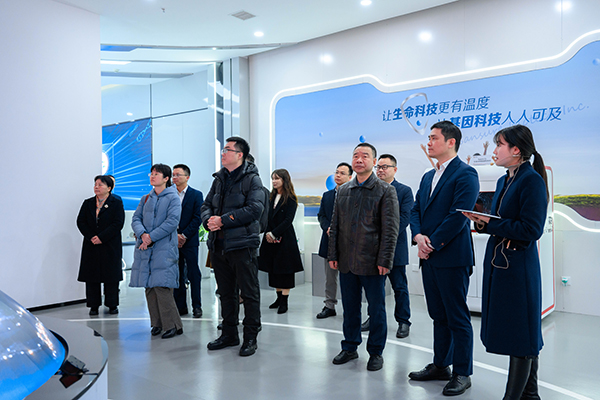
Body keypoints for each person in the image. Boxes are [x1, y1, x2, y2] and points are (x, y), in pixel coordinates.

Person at [462, 125, 548, 399]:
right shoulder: (503, 180)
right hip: (500, 262)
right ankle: (530, 394)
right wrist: (482, 222)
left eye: (499, 144)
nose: (495, 150)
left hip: (519, 266)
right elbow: (501, 220)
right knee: (518, 330)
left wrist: (491, 224)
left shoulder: (531, 180)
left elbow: (532, 229)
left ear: (516, 150)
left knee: (521, 334)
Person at [409, 121, 479, 396]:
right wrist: (418, 237)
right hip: (429, 255)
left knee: (457, 317)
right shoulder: (429, 175)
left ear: (451, 142)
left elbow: (458, 216)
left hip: (452, 257)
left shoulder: (466, 173)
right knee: (438, 315)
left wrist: (431, 244)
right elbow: (416, 210)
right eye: (429, 138)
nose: (429, 142)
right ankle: (441, 365)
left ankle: (462, 372)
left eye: (434, 138)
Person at [328, 143, 400, 372]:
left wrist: (385, 260)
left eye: (365, 156)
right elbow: (335, 225)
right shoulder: (343, 191)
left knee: (376, 310)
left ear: (374, 162)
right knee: (350, 308)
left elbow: (390, 230)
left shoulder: (385, 190)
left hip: (372, 262)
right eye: (355, 156)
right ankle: (350, 346)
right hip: (347, 261)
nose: (359, 160)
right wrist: (333, 254)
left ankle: (376, 351)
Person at [201, 136, 265, 357]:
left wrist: (223, 220)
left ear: (240, 155)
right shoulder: (219, 179)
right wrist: (209, 221)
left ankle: (250, 337)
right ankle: (229, 334)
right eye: (223, 149)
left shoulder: (252, 179)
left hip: (242, 245)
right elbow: (206, 205)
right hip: (219, 245)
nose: (223, 153)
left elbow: (255, 209)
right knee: (226, 293)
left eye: (227, 149)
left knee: (249, 293)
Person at [361, 154, 413, 338]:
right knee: (375, 289)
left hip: (395, 249)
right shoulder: (370, 190)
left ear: (394, 169)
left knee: (399, 287)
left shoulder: (404, 191)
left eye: (385, 167)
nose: (381, 170)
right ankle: (373, 318)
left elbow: (404, 219)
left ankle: (403, 321)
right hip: (373, 250)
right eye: (379, 167)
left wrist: (384, 238)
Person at [130, 164, 183, 339]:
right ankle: (157, 323)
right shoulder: (146, 198)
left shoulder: (173, 198)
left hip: (164, 248)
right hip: (146, 249)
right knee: (149, 287)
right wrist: (142, 234)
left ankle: (172, 325)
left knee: (162, 286)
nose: (152, 176)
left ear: (166, 178)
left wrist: (150, 237)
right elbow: (136, 218)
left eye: (157, 174)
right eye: (151, 174)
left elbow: (172, 222)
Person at [77, 175, 125, 316]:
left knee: (111, 276)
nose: (96, 187)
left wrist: (102, 237)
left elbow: (118, 223)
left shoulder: (116, 203)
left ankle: (112, 304)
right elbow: (80, 221)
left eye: (100, 185)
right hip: (91, 244)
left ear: (109, 188)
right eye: (95, 184)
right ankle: (93, 305)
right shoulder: (88, 203)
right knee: (92, 276)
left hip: (109, 244)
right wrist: (91, 236)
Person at [259, 169, 303, 314]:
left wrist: (274, 233)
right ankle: (278, 299)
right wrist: (268, 233)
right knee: (274, 270)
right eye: (273, 178)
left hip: (285, 239)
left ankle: (284, 301)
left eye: (277, 178)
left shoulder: (290, 198)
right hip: (270, 239)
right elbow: (266, 217)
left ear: (285, 180)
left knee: (285, 271)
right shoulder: (271, 197)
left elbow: (288, 220)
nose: (274, 181)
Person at [315, 162, 353, 319]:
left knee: (348, 278)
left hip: (347, 243)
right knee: (330, 278)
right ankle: (329, 305)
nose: (338, 175)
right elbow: (321, 216)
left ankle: (350, 308)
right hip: (329, 241)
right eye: (337, 172)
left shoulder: (354, 195)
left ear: (350, 177)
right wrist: (327, 228)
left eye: (342, 173)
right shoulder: (327, 195)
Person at [172, 164, 204, 318]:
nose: (175, 178)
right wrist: (175, 235)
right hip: (172, 240)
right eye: (173, 175)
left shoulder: (196, 195)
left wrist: (184, 235)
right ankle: (180, 306)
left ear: (187, 177)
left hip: (189, 240)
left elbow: (198, 218)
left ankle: (197, 306)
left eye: (178, 175)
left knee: (193, 273)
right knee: (176, 273)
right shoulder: (169, 194)